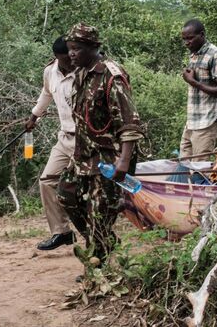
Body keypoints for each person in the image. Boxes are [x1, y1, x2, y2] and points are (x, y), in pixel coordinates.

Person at [56, 23, 144, 267]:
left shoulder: (111, 76)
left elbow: (129, 122)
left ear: (94, 48)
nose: (72, 54)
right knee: (66, 195)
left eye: (77, 49)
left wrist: (124, 161)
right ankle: (102, 241)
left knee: (100, 214)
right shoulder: (82, 72)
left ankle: (98, 266)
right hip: (83, 155)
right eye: (70, 49)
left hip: (107, 158)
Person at [25, 36, 76, 251]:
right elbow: (46, 93)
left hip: (88, 140)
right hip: (65, 137)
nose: (68, 63)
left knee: (81, 188)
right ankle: (61, 232)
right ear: (57, 57)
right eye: (64, 60)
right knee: (47, 181)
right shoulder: (50, 71)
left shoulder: (85, 72)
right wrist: (34, 117)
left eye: (70, 58)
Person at [180, 19, 217, 160]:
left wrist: (193, 82)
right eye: (184, 39)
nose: (187, 43)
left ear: (202, 35)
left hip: (207, 122)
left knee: (199, 169)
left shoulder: (215, 54)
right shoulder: (194, 54)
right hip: (192, 120)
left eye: (190, 38)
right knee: (183, 165)